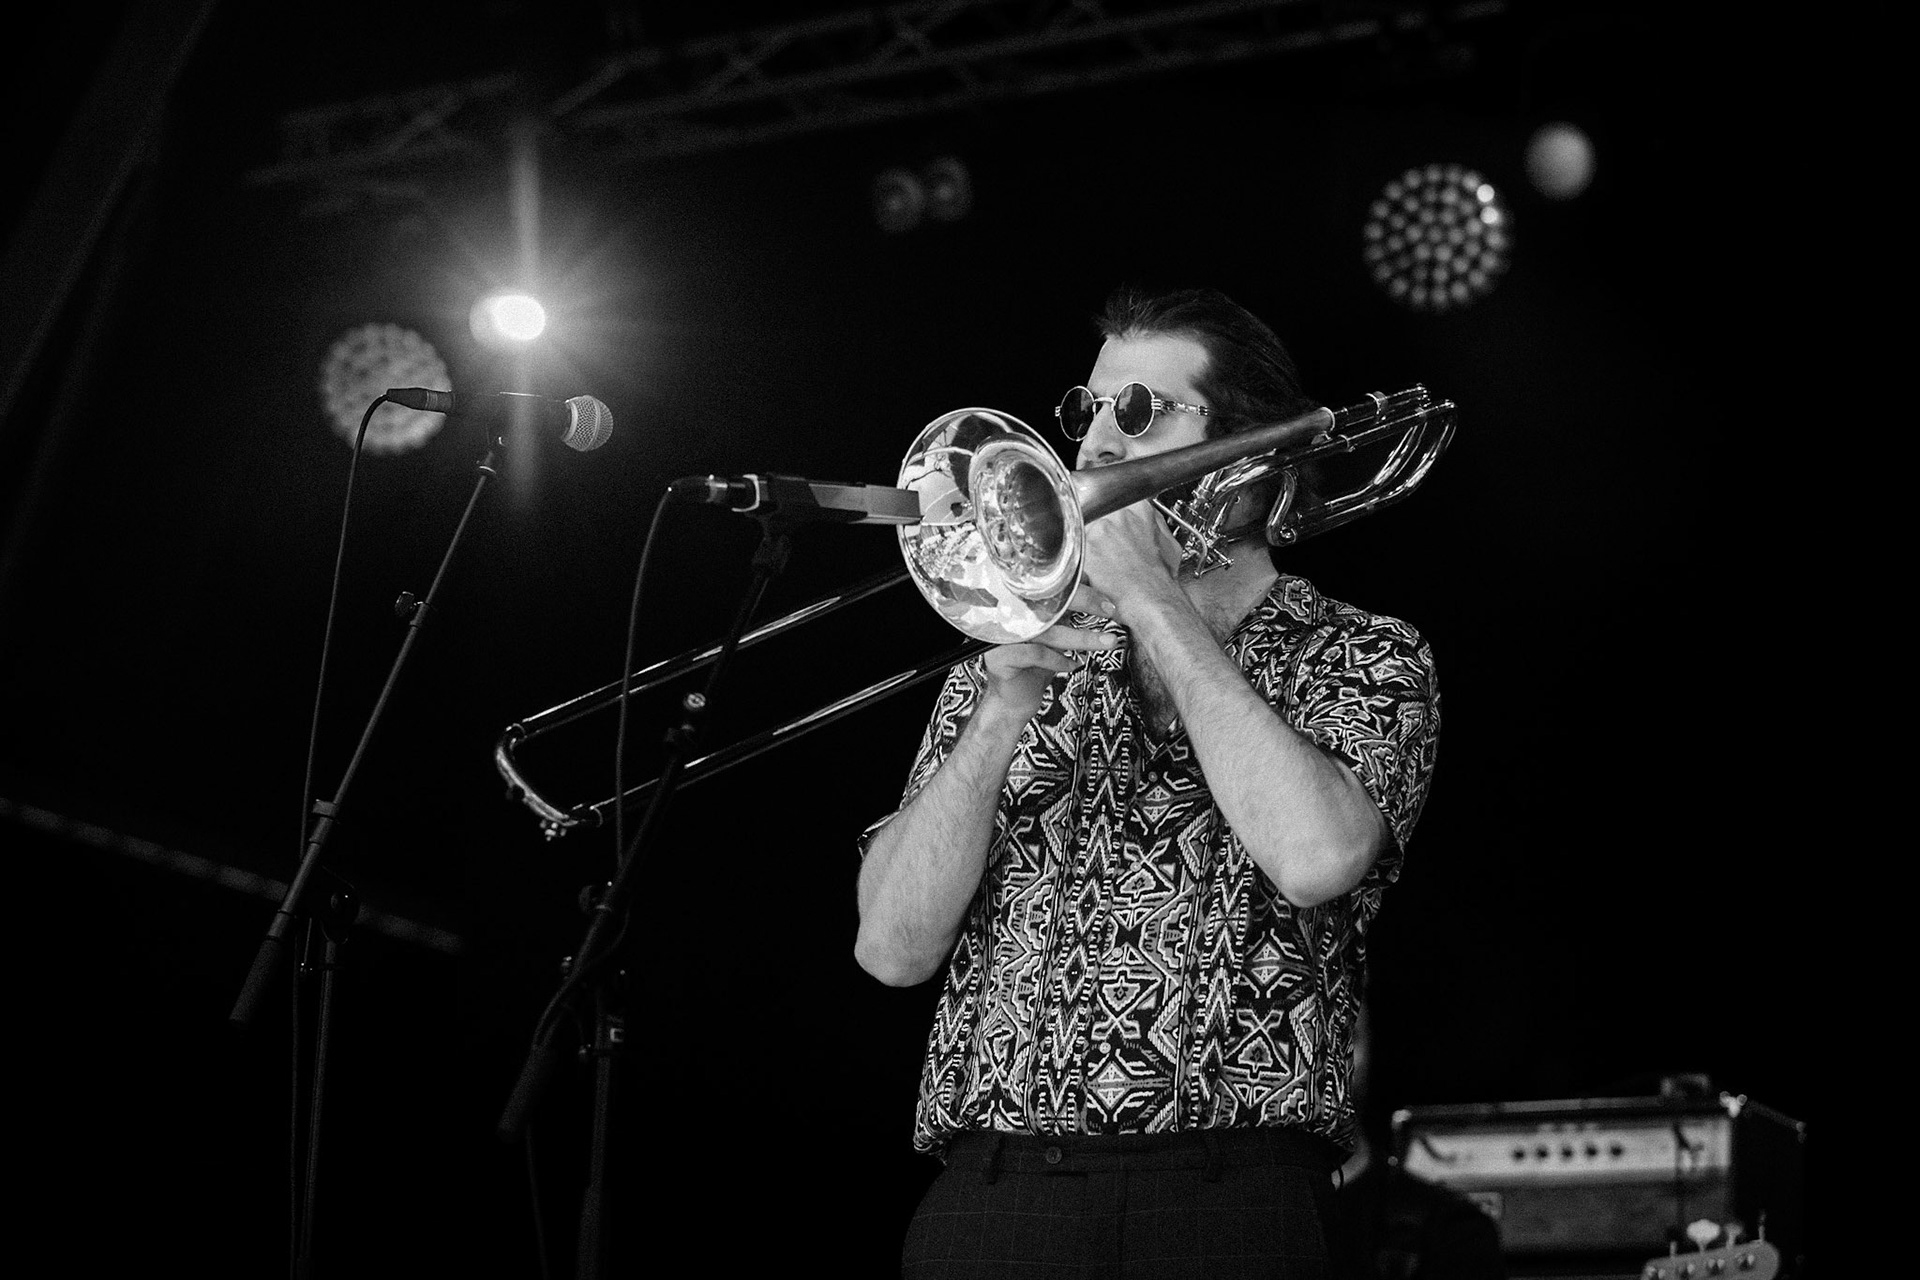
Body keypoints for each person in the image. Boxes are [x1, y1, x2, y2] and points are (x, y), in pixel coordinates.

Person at [855, 286, 1442, 1278]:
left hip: (1234, 1198)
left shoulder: (1364, 653)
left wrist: (1151, 594)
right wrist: (997, 714)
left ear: (1251, 453)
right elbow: (891, 949)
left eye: (1141, 412)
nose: (1093, 443)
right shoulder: (1006, 662)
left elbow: (1316, 857)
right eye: (1088, 410)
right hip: (997, 1195)